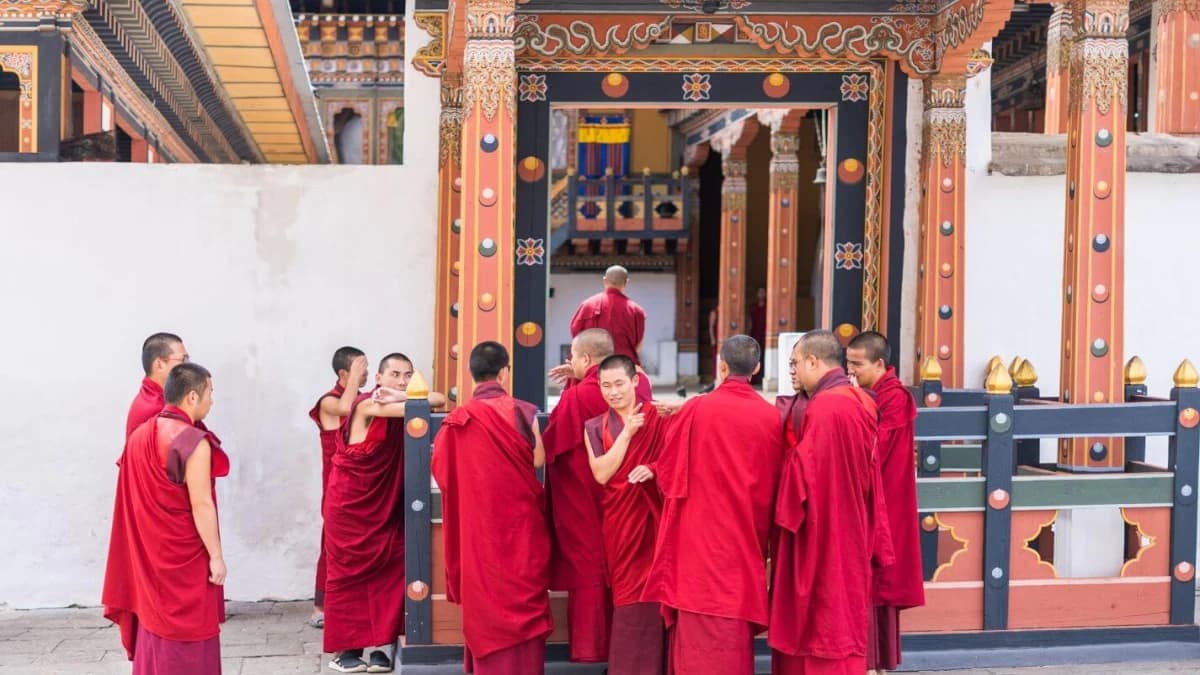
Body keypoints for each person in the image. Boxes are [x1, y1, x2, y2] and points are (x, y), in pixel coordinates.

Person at [641, 335, 784, 675]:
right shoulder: (771, 417)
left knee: (695, 638)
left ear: (721, 366)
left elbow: (667, 476)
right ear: (758, 369)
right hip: (743, 541)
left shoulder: (694, 410)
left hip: (698, 546)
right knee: (732, 633)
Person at [769, 330, 895, 675]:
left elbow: (803, 478)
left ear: (814, 361)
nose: (793, 370)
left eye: (795, 363)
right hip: (851, 519)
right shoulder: (861, 399)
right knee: (844, 605)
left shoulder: (827, 407)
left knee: (822, 615)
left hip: (824, 528)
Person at [432, 341, 553, 674]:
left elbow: (441, 472)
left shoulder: (457, 420)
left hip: (479, 534)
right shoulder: (522, 411)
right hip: (520, 530)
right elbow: (538, 459)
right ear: (504, 372)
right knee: (522, 599)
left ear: (471, 374)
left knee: (485, 602)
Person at [323, 353, 445, 673]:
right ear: (378, 378)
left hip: (385, 504)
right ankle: (346, 651)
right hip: (351, 505)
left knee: (392, 568)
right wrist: (404, 397)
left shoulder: (393, 399)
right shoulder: (366, 404)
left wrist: (400, 394)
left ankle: (381, 646)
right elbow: (424, 403)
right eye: (394, 375)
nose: (402, 381)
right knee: (349, 575)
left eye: (408, 375)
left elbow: (438, 398)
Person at [103, 363, 229, 675]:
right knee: (191, 630)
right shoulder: (192, 442)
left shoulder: (140, 436)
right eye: (210, 393)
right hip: (185, 558)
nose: (212, 400)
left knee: (155, 623)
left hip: (151, 555)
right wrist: (216, 557)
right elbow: (201, 504)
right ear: (191, 397)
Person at [846, 331, 925, 673]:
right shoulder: (868, 393)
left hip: (885, 504)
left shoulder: (894, 397)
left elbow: (873, 448)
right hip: (870, 499)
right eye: (847, 363)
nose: (851, 372)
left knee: (876, 581)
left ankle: (873, 663)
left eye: (857, 365)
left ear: (880, 364)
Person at [584, 355, 666, 675]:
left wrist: (655, 468)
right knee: (627, 596)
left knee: (657, 594)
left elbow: (678, 460)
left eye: (619, 383)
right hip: (621, 524)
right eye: (606, 386)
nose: (613, 392)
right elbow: (601, 473)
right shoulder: (594, 426)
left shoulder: (659, 416)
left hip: (655, 521)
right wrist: (627, 434)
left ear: (635, 381)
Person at [541, 328, 619, 663]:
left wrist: (574, 386)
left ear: (585, 359)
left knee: (587, 567)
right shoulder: (629, 386)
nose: (569, 363)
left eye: (573, 357)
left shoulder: (576, 396)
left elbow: (549, 446)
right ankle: (624, 650)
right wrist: (577, 378)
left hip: (581, 497)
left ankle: (591, 650)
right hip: (618, 494)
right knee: (619, 566)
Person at [306, 347, 369, 628]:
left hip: (360, 481)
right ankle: (321, 606)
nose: (365, 373)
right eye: (360, 368)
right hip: (335, 482)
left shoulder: (363, 400)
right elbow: (346, 408)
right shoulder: (329, 401)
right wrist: (356, 376)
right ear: (344, 373)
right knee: (331, 543)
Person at [570, 265, 646, 365]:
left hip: (592, 367)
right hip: (623, 368)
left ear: (604, 280)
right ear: (626, 282)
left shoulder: (587, 305)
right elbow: (638, 344)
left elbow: (576, 337)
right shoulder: (636, 310)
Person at [126, 333, 190, 439]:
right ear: (159, 365)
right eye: (183, 360)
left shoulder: (155, 395)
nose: (188, 367)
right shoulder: (158, 409)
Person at [748, 288, 767, 385]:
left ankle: (762, 378)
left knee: (764, 357)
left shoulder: (768, 307)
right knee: (755, 357)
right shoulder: (753, 307)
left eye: (763, 292)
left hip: (765, 335)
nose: (761, 294)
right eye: (759, 292)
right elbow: (750, 322)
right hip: (755, 334)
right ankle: (754, 379)